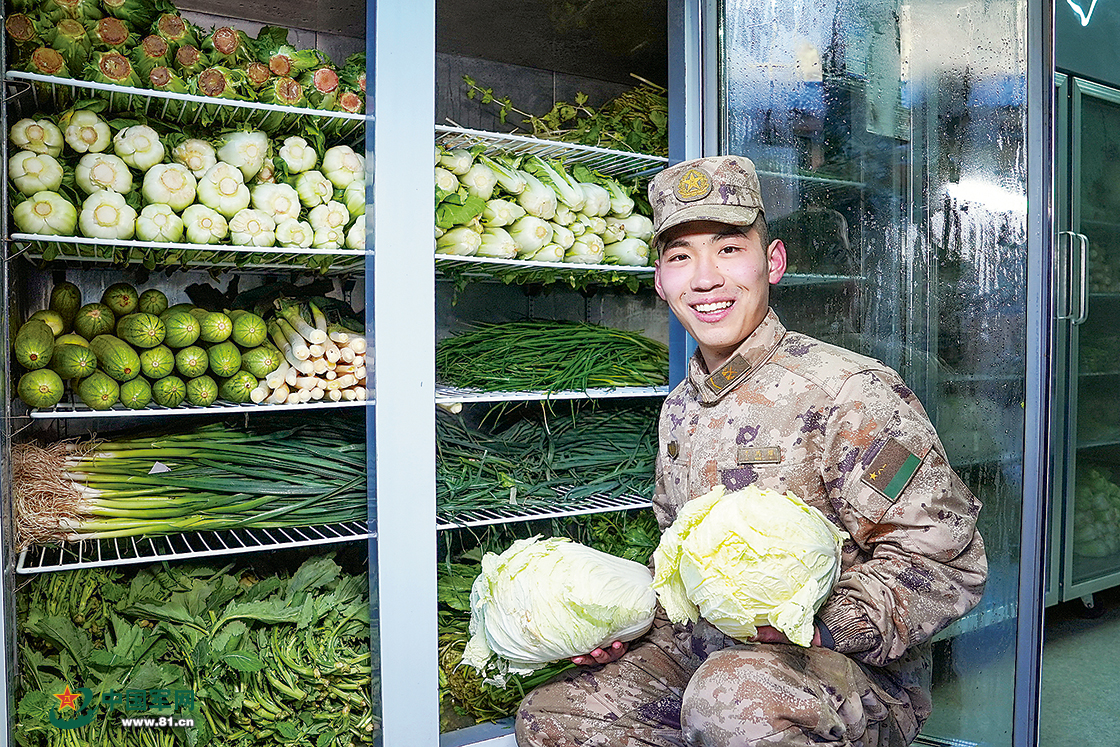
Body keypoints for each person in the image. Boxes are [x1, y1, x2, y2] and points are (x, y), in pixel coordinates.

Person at [514, 155, 988, 747]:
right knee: (555, 714)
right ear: (660, 281)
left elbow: (943, 558)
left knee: (731, 699)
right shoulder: (680, 409)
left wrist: (821, 626)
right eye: (680, 257)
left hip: (848, 676)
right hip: (705, 657)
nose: (705, 278)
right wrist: (623, 620)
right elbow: (678, 564)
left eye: (729, 248)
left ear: (774, 262)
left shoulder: (851, 393)